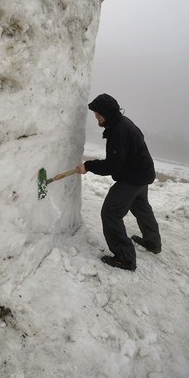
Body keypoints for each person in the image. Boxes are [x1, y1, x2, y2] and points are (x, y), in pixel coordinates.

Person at [76, 93, 161, 271]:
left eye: (99, 115)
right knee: (141, 206)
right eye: (95, 115)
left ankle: (125, 258)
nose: (97, 118)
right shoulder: (122, 123)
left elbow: (113, 165)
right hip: (142, 173)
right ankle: (152, 242)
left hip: (133, 177)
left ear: (107, 113)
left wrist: (88, 166)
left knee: (111, 213)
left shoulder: (118, 131)